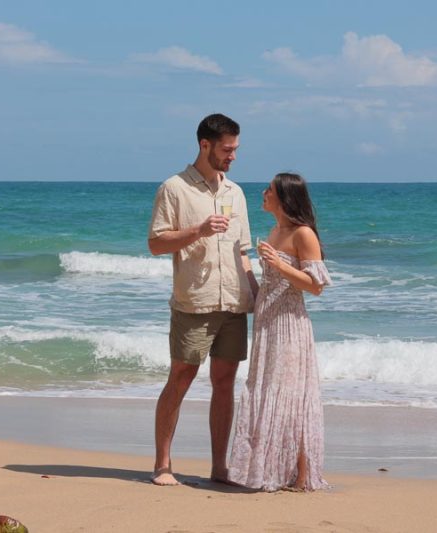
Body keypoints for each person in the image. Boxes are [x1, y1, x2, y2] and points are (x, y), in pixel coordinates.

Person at [148, 113, 258, 486]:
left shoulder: (236, 193)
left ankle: (219, 467)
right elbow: (156, 243)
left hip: (233, 302)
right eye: (227, 149)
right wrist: (197, 230)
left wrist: (254, 292)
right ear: (205, 145)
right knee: (181, 377)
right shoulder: (174, 189)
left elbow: (243, 250)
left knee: (225, 381)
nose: (233, 156)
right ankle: (163, 464)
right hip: (195, 300)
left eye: (236, 149)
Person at [228, 172, 331, 492]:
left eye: (269, 190)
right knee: (266, 389)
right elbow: (269, 283)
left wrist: (280, 264)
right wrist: (247, 272)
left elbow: (315, 287)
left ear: (285, 198)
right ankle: (272, 470)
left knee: (290, 395)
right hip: (267, 323)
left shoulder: (303, 234)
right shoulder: (274, 231)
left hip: (289, 324)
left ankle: (302, 476)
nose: (263, 193)